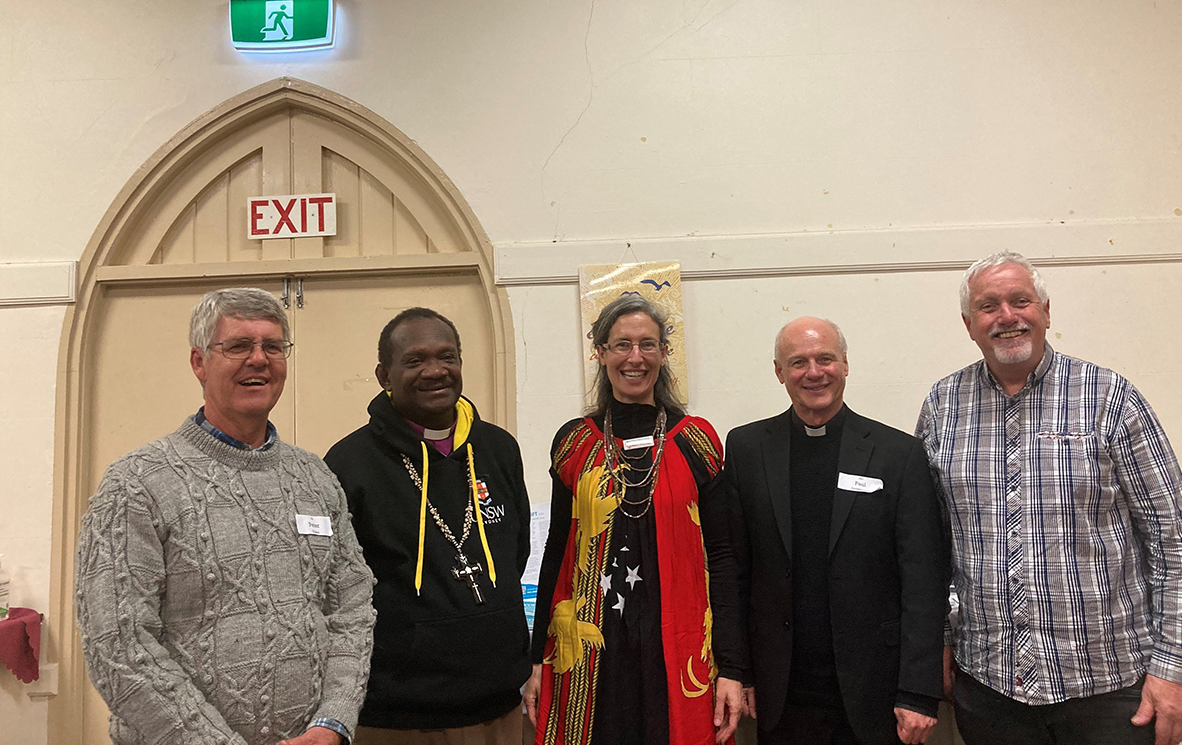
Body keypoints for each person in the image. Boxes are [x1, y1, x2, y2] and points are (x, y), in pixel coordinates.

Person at [917, 251, 1182, 745]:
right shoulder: (943, 405)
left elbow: (1176, 538)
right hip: (989, 688)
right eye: (989, 306)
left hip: (1110, 690)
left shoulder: (1109, 397)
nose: (1007, 316)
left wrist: (1179, 669)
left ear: (1046, 310)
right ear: (969, 324)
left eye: (1020, 300)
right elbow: (929, 544)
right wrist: (937, 641)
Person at [75, 287, 375, 745]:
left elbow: (352, 611)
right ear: (198, 362)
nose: (259, 359)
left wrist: (332, 722)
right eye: (238, 346)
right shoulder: (136, 483)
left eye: (272, 346)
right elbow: (118, 646)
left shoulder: (316, 478)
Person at [525, 293, 746, 745]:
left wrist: (735, 668)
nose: (635, 357)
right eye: (622, 344)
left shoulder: (696, 442)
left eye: (648, 345)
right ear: (600, 352)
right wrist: (534, 661)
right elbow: (556, 551)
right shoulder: (575, 443)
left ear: (665, 354)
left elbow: (723, 558)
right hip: (592, 654)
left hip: (676, 647)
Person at [725, 317, 947, 745]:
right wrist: (738, 669)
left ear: (845, 364)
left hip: (877, 696)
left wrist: (919, 692)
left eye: (825, 358)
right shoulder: (746, 449)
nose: (814, 372)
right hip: (780, 697)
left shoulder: (898, 455)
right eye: (798, 362)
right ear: (779, 372)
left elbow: (924, 579)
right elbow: (735, 571)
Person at [324, 308, 531, 744]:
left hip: (500, 706)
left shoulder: (498, 448)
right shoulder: (349, 464)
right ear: (384, 375)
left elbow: (516, 550)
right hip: (397, 714)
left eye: (447, 356)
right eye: (415, 360)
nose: (435, 371)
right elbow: (334, 589)